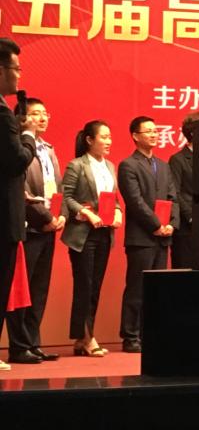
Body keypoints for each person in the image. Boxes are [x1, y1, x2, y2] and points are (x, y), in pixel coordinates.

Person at [5, 98, 64, 364]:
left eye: (44, 113)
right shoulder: (18, 148)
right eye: (35, 114)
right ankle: (19, 345)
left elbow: (57, 187)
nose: (41, 118)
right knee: (22, 290)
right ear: (22, 118)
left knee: (39, 289)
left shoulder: (48, 149)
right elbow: (22, 190)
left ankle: (33, 342)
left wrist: (60, 216)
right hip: (30, 227)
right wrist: (44, 218)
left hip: (49, 226)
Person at [62, 120, 123, 358]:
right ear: (89, 140)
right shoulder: (77, 165)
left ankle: (83, 337)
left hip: (104, 233)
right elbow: (66, 197)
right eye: (103, 137)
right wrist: (86, 213)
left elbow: (113, 197)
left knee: (95, 286)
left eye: (110, 137)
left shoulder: (109, 165)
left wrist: (117, 211)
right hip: (82, 235)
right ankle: (88, 338)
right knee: (84, 285)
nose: (108, 142)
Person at [119, 116, 178, 353]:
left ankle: (150, 334)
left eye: (155, 131)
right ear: (135, 136)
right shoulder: (128, 165)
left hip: (163, 237)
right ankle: (130, 336)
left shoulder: (163, 165)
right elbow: (134, 201)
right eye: (148, 131)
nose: (154, 135)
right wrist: (155, 224)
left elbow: (173, 197)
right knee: (136, 288)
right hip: (141, 237)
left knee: (156, 289)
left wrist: (171, 223)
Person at [0, 38, 37, 371]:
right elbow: (16, 161)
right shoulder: (3, 114)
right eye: (16, 68)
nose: (19, 75)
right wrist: (28, 135)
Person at [168, 111, 199, 269]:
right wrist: (192, 216)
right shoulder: (178, 159)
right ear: (193, 133)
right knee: (185, 272)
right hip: (187, 228)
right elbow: (175, 192)